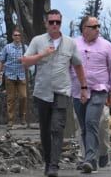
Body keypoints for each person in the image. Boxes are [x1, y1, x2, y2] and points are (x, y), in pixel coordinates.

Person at [22, 10, 87, 177]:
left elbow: (78, 66)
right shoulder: (38, 41)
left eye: (57, 22)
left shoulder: (70, 43)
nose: (54, 25)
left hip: (62, 91)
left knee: (57, 129)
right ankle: (48, 161)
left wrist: (84, 87)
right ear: (46, 23)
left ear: (61, 23)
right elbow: (25, 62)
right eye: (51, 22)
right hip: (42, 92)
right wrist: (42, 54)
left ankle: (54, 165)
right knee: (45, 130)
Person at [70, 16, 111, 174]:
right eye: (94, 26)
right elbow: (66, 66)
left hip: (99, 90)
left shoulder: (106, 45)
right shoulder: (73, 44)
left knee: (91, 122)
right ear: (84, 28)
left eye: (98, 26)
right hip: (78, 92)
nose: (98, 29)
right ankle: (90, 158)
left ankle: (90, 159)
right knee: (84, 126)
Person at [0, 29, 29, 127]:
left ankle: (22, 117)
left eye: (19, 35)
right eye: (15, 35)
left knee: (23, 96)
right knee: (10, 98)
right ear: (12, 36)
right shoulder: (7, 47)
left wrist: (25, 61)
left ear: (21, 37)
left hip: (21, 75)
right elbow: (1, 61)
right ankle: (10, 119)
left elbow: (30, 60)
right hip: (10, 75)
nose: (17, 37)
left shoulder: (25, 47)